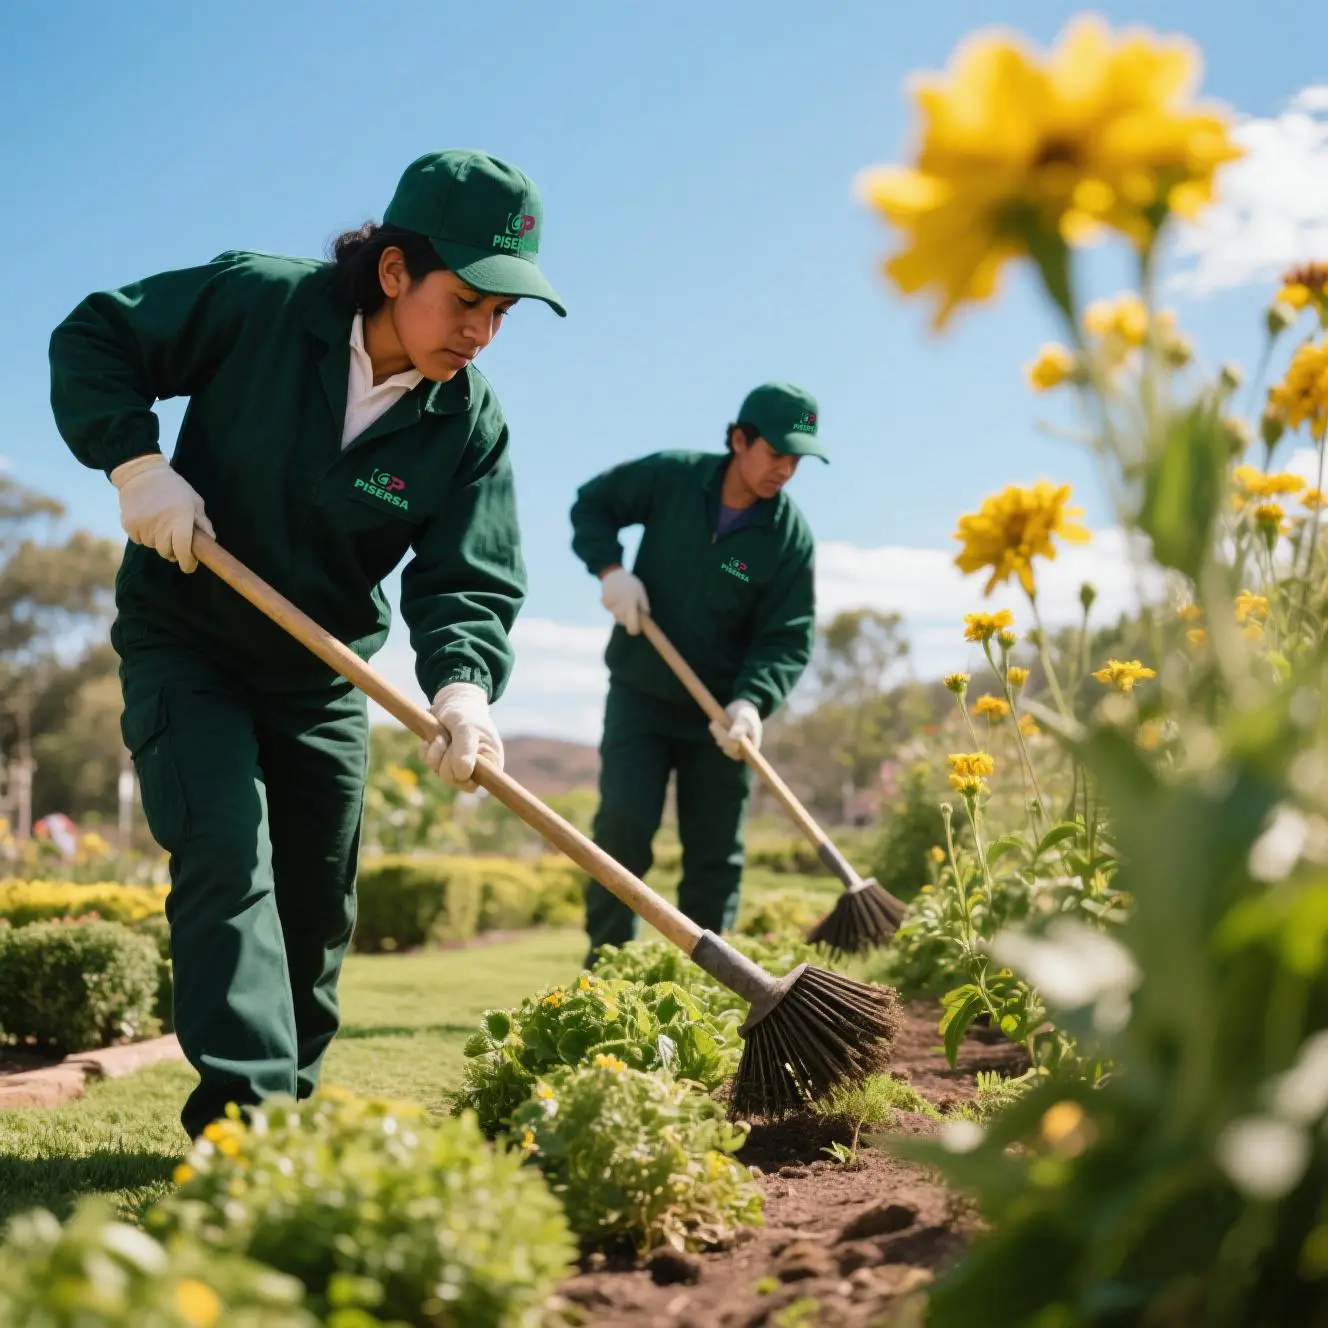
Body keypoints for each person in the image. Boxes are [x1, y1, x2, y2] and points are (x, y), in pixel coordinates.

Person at [47, 149, 566, 1139]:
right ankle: (246, 1131)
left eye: (501, 312)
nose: (480, 331)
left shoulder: (467, 424)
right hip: (189, 641)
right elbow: (97, 335)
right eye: (466, 299)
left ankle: (287, 1111)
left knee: (315, 905)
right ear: (393, 269)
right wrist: (135, 463)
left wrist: (462, 686)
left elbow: (466, 575)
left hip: (321, 673)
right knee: (224, 852)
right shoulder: (261, 304)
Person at [569, 383, 823, 963]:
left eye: (797, 459)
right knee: (622, 832)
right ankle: (606, 969)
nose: (785, 469)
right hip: (640, 695)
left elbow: (787, 635)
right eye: (776, 452)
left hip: (720, 717)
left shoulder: (788, 538)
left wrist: (752, 701)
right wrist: (610, 570)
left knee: (715, 854)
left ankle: (711, 978)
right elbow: (592, 504)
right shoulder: (673, 478)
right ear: (739, 440)